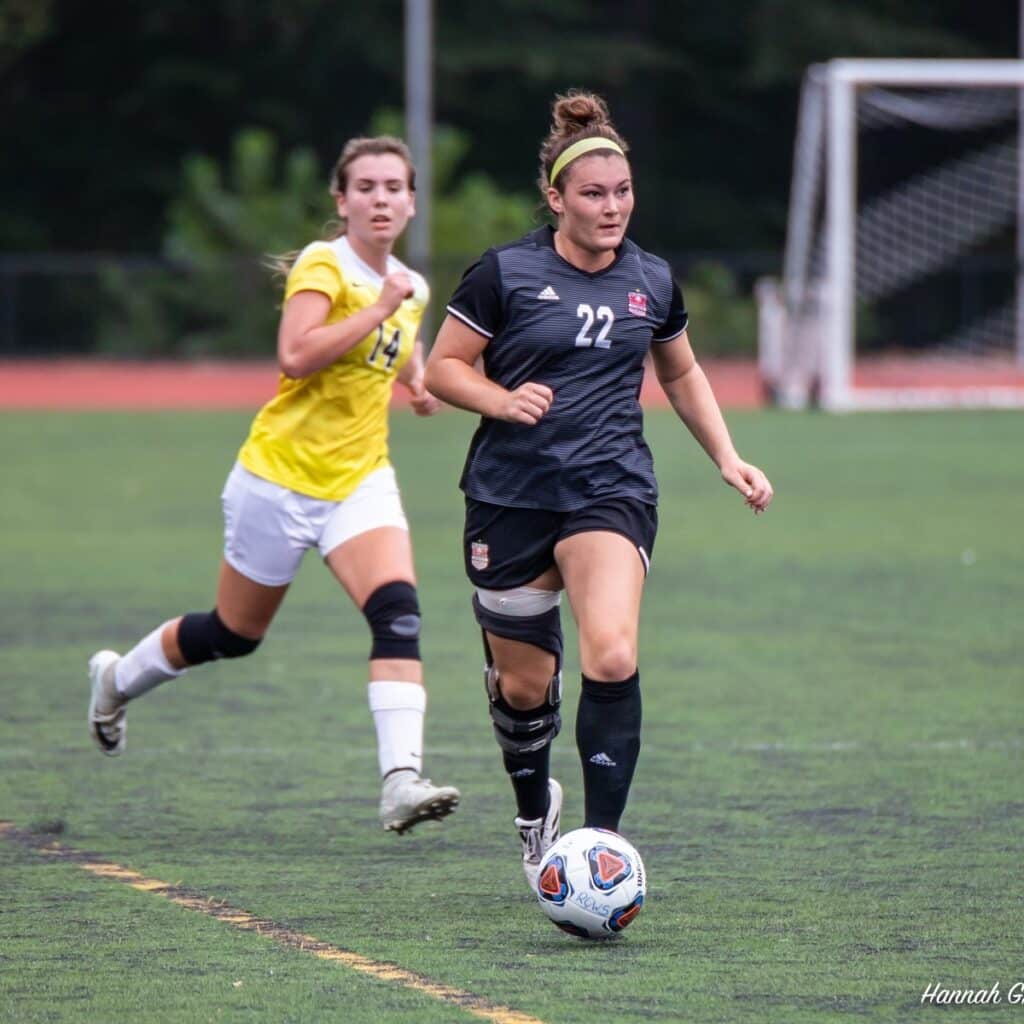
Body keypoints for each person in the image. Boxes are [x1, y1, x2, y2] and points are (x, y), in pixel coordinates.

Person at [423, 91, 773, 888]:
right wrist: (500, 399)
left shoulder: (651, 278)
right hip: (509, 496)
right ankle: (531, 805)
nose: (611, 207)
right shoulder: (504, 272)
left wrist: (727, 455)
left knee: (610, 652)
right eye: (592, 194)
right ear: (556, 198)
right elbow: (443, 367)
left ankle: (599, 852)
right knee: (525, 687)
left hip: (609, 489)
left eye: (622, 193)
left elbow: (679, 370)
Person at [88, 136, 460, 835]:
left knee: (399, 612)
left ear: (411, 202)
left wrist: (415, 380)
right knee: (234, 633)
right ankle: (114, 681)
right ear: (341, 200)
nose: (380, 199)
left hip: (361, 481)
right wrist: (379, 308)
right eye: (366, 187)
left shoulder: (409, 285)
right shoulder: (328, 266)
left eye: (393, 187)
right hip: (278, 481)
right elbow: (295, 355)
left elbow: (404, 338)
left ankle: (400, 781)